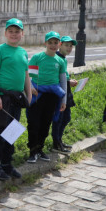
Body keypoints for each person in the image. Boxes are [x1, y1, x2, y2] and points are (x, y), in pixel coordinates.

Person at [0, 18, 31, 181]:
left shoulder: (23, 52)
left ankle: (6, 163)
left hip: (17, 98)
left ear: (22, 34)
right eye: (10, 31)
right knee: (0, 132)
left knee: (12, 132)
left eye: (17, 31)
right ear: (5, 33)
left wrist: (29, 95)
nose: (14, 34)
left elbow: (25, 75)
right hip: (3, 98)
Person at [26, 31, 67, 163]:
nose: (53, 45)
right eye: (50, 42)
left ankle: (40, 149)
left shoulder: (60, 61)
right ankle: (32, 151)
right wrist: (30, 88)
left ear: (59, 44)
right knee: (34, 123)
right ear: (45, 43)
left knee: (46, 123)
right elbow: (28, 75)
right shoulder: (37, 57)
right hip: (37, 95)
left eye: (55, 43)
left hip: (52, 96)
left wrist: (63, 100)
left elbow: (63, 81)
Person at [51, 36, 78, 152]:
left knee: (66, 118)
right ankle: (56, 143)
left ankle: (59, 140)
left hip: (66, 91)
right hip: (59, 93)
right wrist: (68, 82)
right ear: (60, 45)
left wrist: (68, 81)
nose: (69, 48)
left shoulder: (64, 59)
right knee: (59, 119)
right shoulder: (56, 58)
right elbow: (54, 78)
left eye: (71, 46)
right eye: (66, 45)